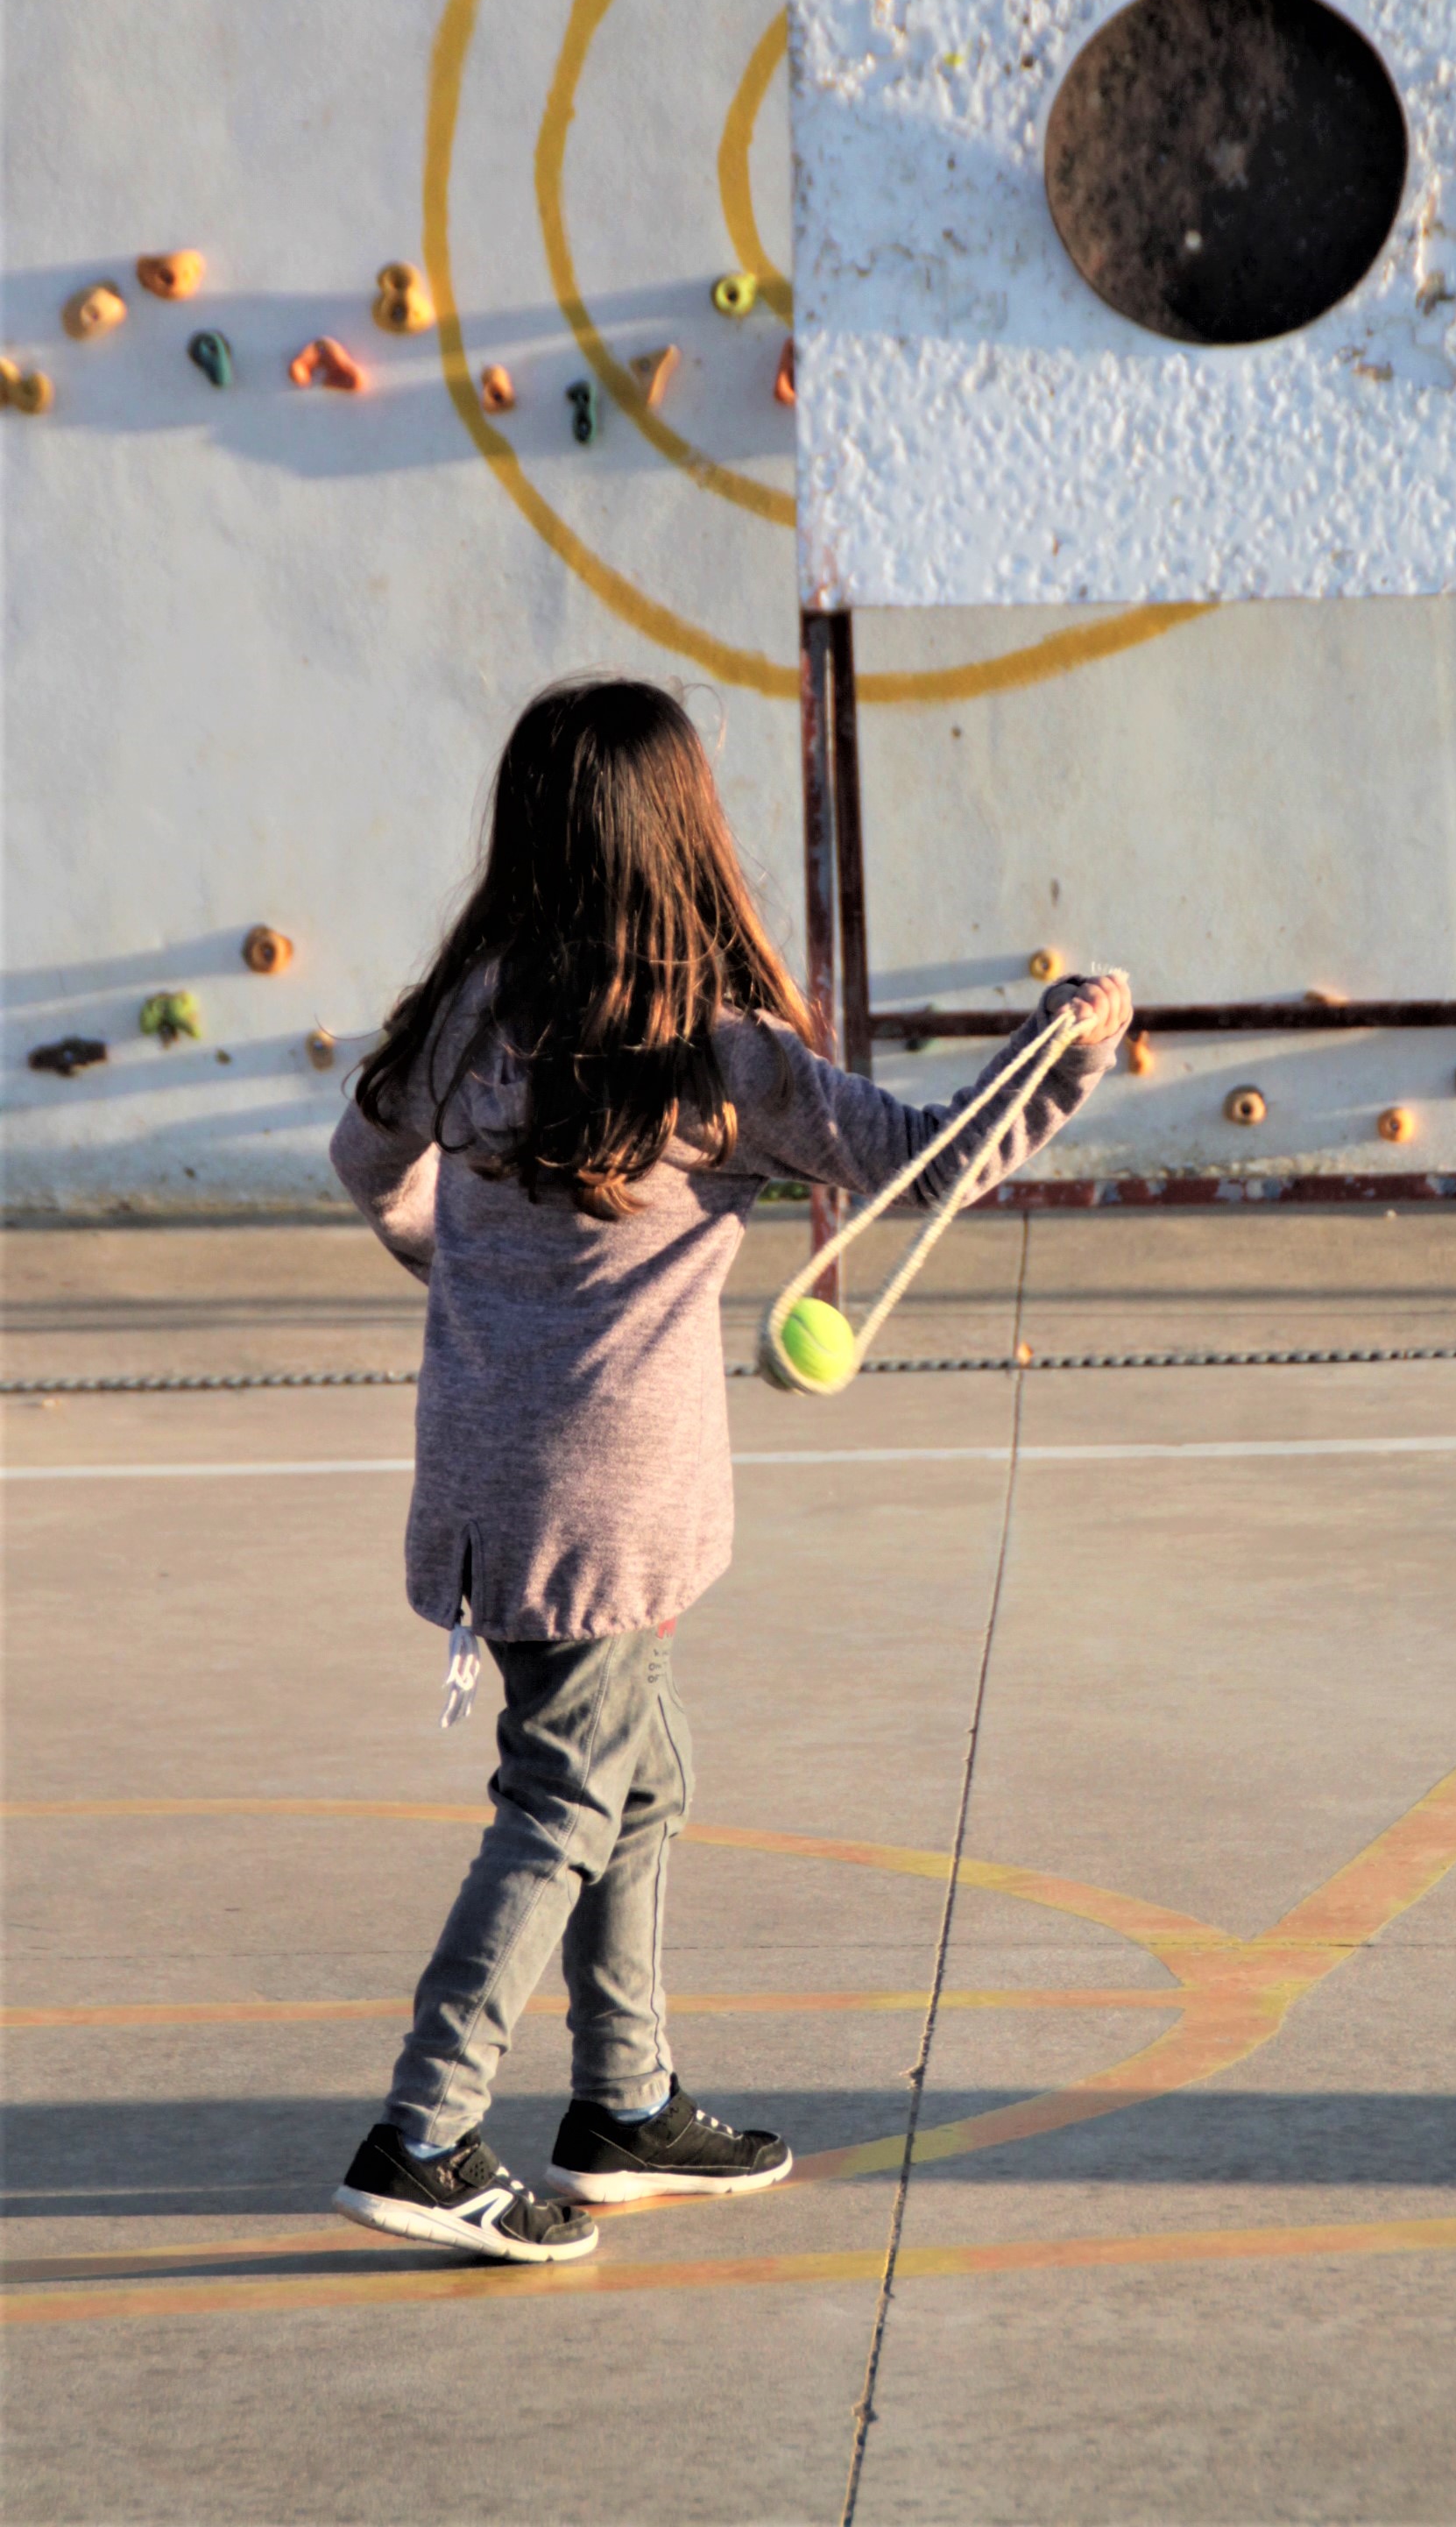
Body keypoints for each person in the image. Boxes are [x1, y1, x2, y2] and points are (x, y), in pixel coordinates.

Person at [327, 676, 1131, 2264]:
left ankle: (622, 2105)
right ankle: (424, 2130)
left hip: (487, 1487)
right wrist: (1066, 1048)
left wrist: (469, 1286)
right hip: (611, 1505)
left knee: (643, 1778)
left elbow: (369, 1169)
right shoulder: (719, 1060)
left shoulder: (473, 1007)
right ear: (680, 836)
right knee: (563, 1793)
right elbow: (929, 1158)